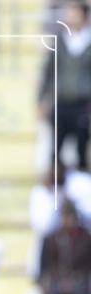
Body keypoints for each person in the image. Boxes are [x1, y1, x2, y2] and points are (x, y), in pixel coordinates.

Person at [38, 0, 91, 170]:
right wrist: (42, 99)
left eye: (73, 12)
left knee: (82, 150)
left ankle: (81, 184)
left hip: (83, 104)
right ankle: (57, 184)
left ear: (83, 15)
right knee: (55, 151)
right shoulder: (60, 40)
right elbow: (49, 71)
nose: (68, 16)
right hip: (61, 102)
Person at [39, 200, 91, 294]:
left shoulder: (86, 238)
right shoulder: (51, 239)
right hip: (57, 284)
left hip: (80, 284)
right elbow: (45, 268)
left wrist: (74, 281)